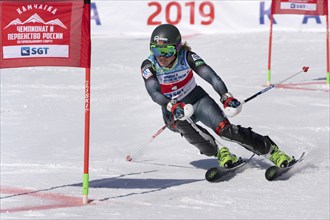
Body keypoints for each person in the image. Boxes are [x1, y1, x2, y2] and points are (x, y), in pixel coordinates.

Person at [140, 24, 294, 168]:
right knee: (184, 126)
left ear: (177, 48)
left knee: (226, 130)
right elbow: (154, 92)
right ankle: (222, 154)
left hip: (197, 99)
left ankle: (273, 152)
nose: (161, 56)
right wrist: (171, 105)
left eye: (167, 51)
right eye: (156, 50)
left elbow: (211, 77)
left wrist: (225, 96)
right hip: (172, 110)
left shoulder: (187, 57)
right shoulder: (149, 65)